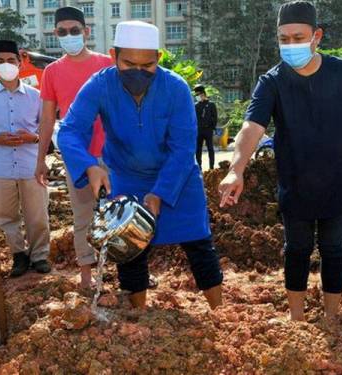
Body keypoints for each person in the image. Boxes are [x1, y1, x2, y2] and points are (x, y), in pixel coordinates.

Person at [218, 1, 342, 321]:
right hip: (296, 184)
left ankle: (332, 317)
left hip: (337, 181)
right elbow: (251, 127)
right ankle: (297, 318)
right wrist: (236, 169)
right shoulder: (272, 82)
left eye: (298, 37)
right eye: (284, 38)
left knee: (334, 251)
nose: (290, 45)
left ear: (316, 36)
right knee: (296, 251)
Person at [57, 21, 223, 309]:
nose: (138, 71)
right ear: (113, 55)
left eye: (147, 65)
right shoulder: (99, 85)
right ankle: (139, 313)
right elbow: (70, 130)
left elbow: (183, 148)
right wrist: (89, 166)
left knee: (198, 244)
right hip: (127, 177)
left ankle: (218, 311)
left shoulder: (176, 88)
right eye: (129, 63)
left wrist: (160, 192)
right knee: (129, 248)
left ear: (158, 58)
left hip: (177, 178)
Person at [34, 6, 112, 289]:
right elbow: (46, 119)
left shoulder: (107, 65)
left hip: (113, 153)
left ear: (86, 31)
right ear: (56, 34)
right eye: (62, 32)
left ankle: (131, 273)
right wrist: (40, 158)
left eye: (74, 30)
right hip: (78, 155)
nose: (69, 35)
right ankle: (86, 276)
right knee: (82, 215)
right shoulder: (52, 72)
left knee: (122, 210)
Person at [0, 40, 50, 277]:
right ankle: (18, 255)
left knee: (37, 214)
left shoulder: (36, 96)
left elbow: (46, 130)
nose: (6, 65)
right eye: (0, 61)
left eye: (11, 60)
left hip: (31, 164)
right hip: (0, 166)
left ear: (20, 62)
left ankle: (40, 256)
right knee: (6, 215)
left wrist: (31, 137)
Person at [194, 84, 217, 170]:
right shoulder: (196, 105)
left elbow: (215, 117)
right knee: (198, 149)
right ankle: (199, 166)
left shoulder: (211, 105)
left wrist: (212, 128)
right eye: (196, 95)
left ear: (203, 94)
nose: (197, 97)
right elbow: (193, 118)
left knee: (210, 148)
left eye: (198, 95)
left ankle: (211, 166)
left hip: (208, 130)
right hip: (199, 130)